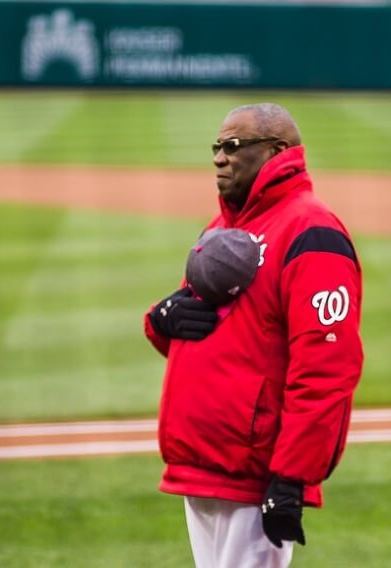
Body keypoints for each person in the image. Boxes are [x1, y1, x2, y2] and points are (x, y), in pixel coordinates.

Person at [143, 103, 363, 567]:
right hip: (202, 463)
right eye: (216, 148)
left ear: (276, 151)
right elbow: (204, 332)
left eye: (233, 147)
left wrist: (292, 477)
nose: (220, 158)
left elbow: (326, 369)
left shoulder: (313, 232)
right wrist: (161, 321)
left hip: (255, 473)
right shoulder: (224, 225)